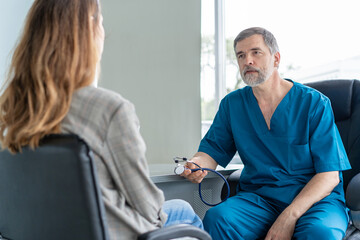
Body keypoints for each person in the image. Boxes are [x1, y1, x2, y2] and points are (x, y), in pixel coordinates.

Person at [0, 0, 203, 239]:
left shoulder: (11, 109)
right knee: (183, 210)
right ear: (89, 29)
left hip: (43, 233)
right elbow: (150, 210)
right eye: (102, 23)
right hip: (108, 233)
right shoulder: (109, 109)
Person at [182, 27, 351, 240]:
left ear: (276, 59)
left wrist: (289, 215)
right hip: (260, 199)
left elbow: (329, 176)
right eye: (241, 55)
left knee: (320, 232)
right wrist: (197, 164)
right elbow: (211, 152)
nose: (247, 61)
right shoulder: (232, 105)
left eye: (256, 52)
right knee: (218, 218)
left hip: (316, 201)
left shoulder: (313, 103)